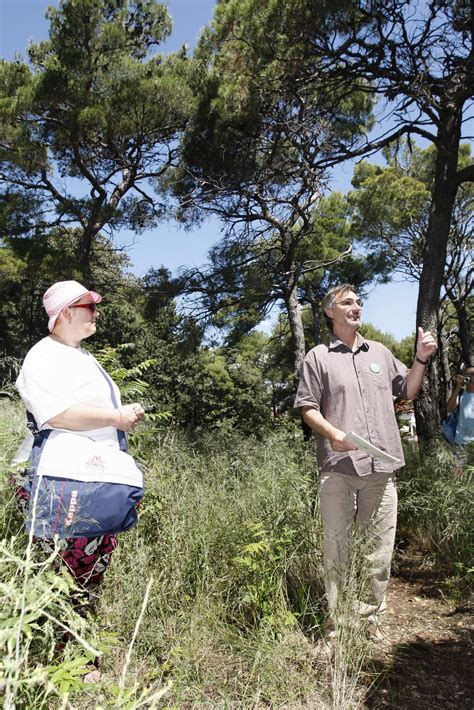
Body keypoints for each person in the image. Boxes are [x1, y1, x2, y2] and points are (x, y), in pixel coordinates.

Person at [294, 283, 437, 637]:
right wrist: (333, 434)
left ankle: (371, 619)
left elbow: (407, 390)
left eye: (359, 302)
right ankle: (338, 625)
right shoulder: (318, 357)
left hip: (381, 470)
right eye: (347, 302)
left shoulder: (381, 353)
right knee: (337, 549)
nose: (356, 306)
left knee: (379, 551)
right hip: (339, 469)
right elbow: (307, 407)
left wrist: (420, 358)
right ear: (330, 311)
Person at [15, 280, 145, 613]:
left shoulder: (79, 356)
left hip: (89, 479)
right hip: (61, 480)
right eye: (90, 306)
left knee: (87, 573)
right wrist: (117, 416)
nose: (96, 312)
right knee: (60, 577)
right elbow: (56, 414)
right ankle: (64, 655)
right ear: (68, 311)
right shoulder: (44, 355)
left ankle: (80, 652)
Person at [446, 365, 474, 447]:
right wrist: (458, 386)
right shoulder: (461, 394)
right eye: (467, 374)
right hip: (461, 444)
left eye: (472, 374)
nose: (470, 377)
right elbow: (448, 409)